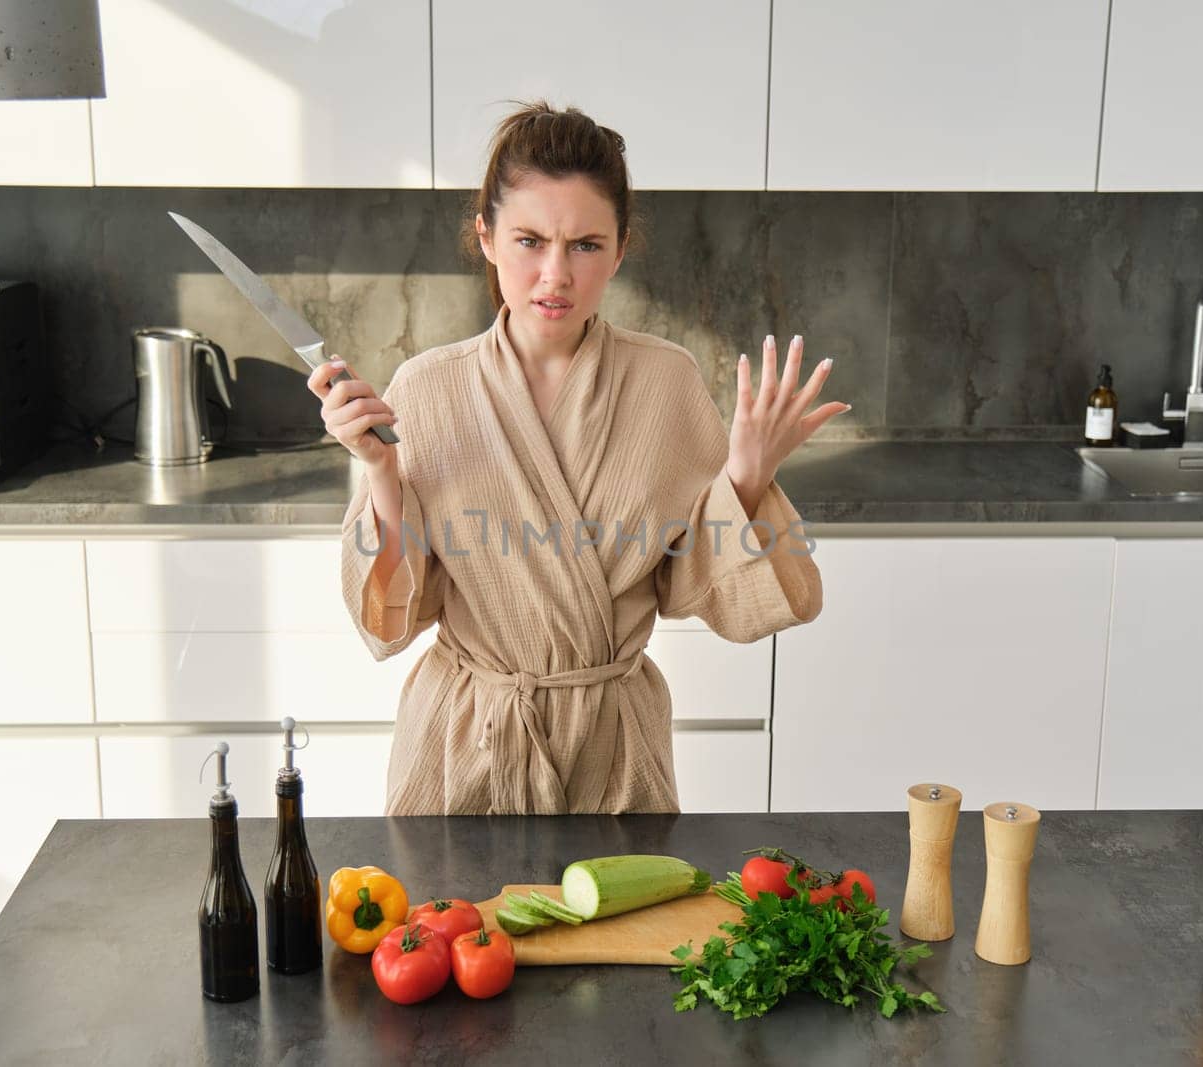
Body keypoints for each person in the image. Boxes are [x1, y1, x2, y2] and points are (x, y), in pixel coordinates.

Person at [308, 101, 848, 816]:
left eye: (586, 245)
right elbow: (394, 618)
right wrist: (381, 474)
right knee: (451, 929)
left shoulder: (667, 382)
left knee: (622, 930)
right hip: (465, 746)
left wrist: (746, 474)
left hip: (613, 753)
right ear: (487, 237)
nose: (554, 275)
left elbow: (698, 590)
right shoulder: (426, 389)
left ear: (621, 248)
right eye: (530, 240)